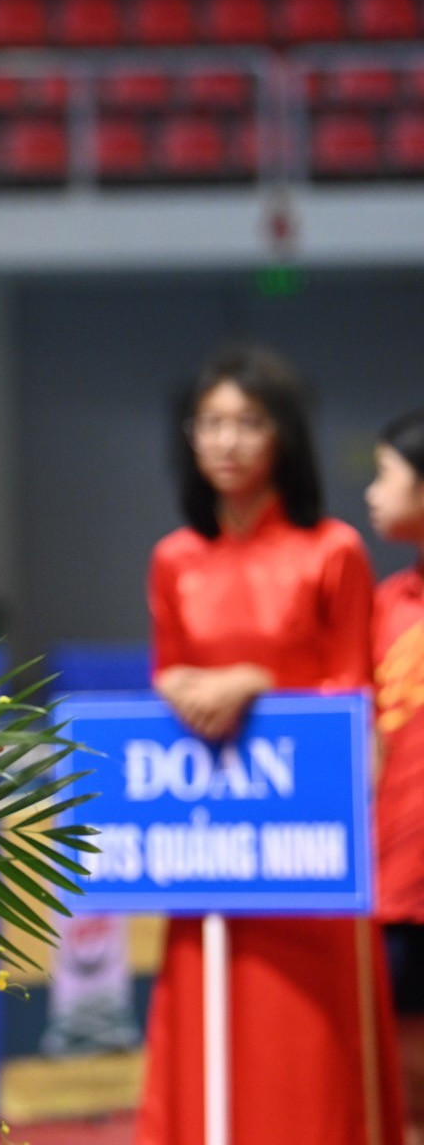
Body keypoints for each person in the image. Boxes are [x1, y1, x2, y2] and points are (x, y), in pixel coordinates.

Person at [136, 343, 402, 1145]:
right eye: (211, 423)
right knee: (209, 1029)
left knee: (310, 1060)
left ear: (283, 435)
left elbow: (356, 703)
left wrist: (252, 679)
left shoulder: (334, 551)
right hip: (212, 849)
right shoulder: (174, 561)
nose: (227, 441)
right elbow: (168, 679)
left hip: (308, 853)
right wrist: (177, 687)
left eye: (248, 423)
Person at [368, 407, 424, 1137]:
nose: (373, 494)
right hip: (394, 881)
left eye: (385, 476)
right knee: (400, 1072)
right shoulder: (382, 605)